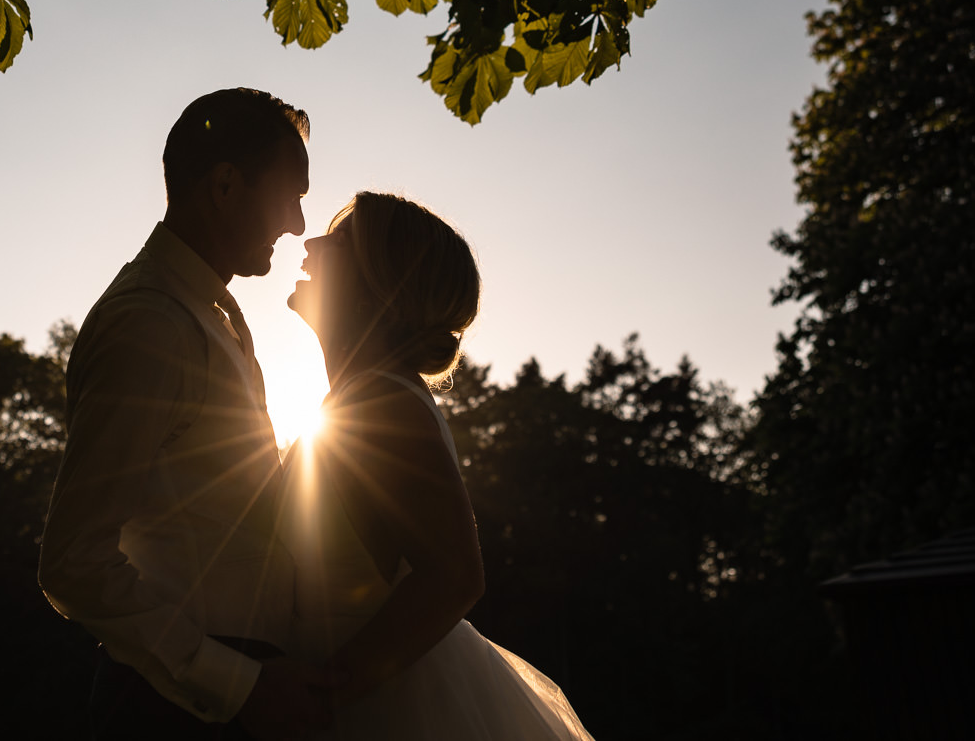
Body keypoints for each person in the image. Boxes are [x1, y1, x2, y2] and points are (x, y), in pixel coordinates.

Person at [39, 88, 336, 739]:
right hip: (176, 707)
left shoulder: (213, 312)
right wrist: (237, 683)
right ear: (226, 185)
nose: (295, 223)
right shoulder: (149, 323)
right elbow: (73, 560)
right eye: (290, 195)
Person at [283, 191, 596, 739]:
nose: (310, 243)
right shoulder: (360, 400)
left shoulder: (381, 403)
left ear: (378, 287)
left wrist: (322, 695)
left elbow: (454, 576)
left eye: (338, 241)